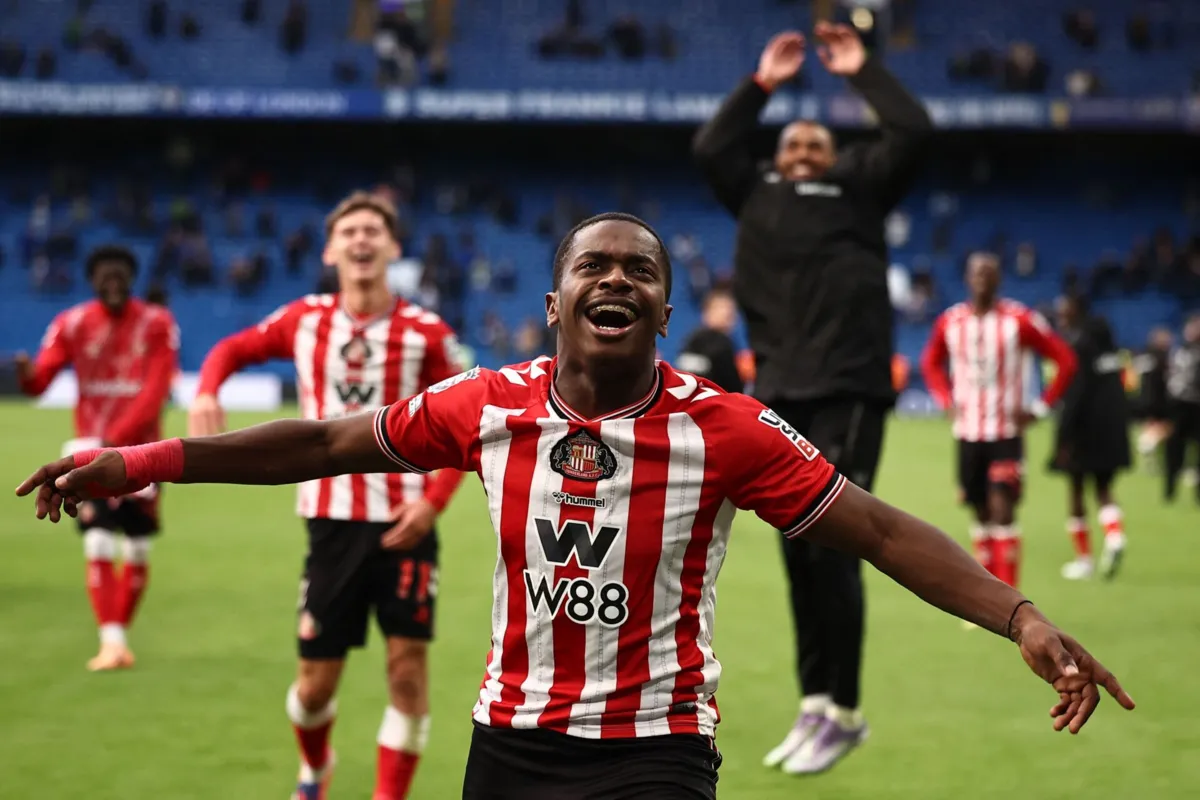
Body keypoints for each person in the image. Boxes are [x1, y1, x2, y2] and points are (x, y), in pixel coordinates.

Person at [18, 214, 1135, 800]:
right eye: (595, 265)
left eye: (641, 271)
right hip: (509, 741)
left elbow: (882, 530)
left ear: (661, 306)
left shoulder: (726, 426)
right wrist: (140, 460)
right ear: (554, 298)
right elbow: (320, 440)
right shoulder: (484, 403)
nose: (618, 280)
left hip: (655, 748)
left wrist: (1023, 617)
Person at [692, 23, 934, 773]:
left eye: (813, 146)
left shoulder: (860, 186)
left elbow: (913, 131)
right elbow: (711, 149)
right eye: (789, 146)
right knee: (800, 544)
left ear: (836, 156)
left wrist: (863, 71)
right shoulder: (756, 191)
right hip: (782, 390)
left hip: (850, 385)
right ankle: (815, 703)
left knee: (840, 539)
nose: (799, 153)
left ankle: (848, 709)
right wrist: (761, 83)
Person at [187, 192, 466, 800]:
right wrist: (208, 389)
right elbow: (232, 349)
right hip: (331, 523)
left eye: (373, 230)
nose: (362, 240)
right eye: (350, 232)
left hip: (405, 521)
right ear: (331, 249)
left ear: (393, 248)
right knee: (314, 687)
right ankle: (315, 770)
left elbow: (464, 426)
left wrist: (432, 503)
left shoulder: (426, 333)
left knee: (407, 673)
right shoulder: (304, 319)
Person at [15, 244, 179, 671]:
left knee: (138, 546)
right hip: (90, 446)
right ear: (92, 280)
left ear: (131, 278)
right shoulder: (70, 323)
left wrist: (116, 441)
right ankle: (112, 640)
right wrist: (28, 377)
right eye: (104, 275)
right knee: (99, 538)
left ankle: (117, 638)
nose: (112, 282)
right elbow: (42, 380)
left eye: (120, 274)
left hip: (144, 452)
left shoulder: (157, 323)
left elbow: (156, 390)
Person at [921, 253, 1078, 595]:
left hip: (1006, 432)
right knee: (979, 513)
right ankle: (985, 596)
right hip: (967, 433)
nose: (982, 280)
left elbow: (1065, 359)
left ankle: (1010, 599)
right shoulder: (951, 321)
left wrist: (1039, 407)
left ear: (998, 280)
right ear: (967, 278)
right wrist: (945, 399)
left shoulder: (1019, 320)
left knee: (1002, 508)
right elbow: (930, 362)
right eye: (977, 273)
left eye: (989, 274)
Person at [1049, 294, 1132, 581]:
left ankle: (1084, 560)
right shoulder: (1109, 347)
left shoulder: (1077, 347)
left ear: (1076, 311)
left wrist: (1062, 438)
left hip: (1084, 431)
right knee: (1104, 487)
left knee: (1075, 489)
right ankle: (1115, 535)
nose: (1061, 317)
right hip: (1113, 428)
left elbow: (1075, 395)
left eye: (1065, 311)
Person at [676, 286, 744, 394]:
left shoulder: (691, 339)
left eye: (730, 309)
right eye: (720, 308)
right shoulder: (720, 343)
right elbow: (733, 389)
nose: (726, 313)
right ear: (706, 313)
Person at [1165, 313, 1200, 503]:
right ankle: (1170, 489)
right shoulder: (1180, 351)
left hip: (1196, 406)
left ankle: (1197, 494)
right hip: (1180, 406)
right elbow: (1172, 381)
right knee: (1175, 449)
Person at [1132, 327, 1173, 473]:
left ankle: (1152, 459)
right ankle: (1148, 444)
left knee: (1151, 426)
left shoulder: (1144, 356)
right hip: (1159, 399)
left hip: (1144, 398)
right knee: (1166, 428)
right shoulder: (1163, 358)